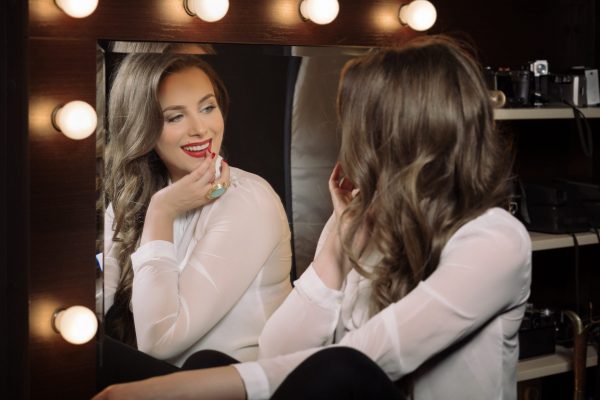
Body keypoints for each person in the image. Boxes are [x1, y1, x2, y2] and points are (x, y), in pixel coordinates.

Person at [94, 34, 532, 400]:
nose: (349, 139)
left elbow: (364, 359)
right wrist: (338, 249)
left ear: (408, 135)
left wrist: (168, 391)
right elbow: (279, 346)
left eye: (359, 124)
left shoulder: (494, 241)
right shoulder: (365, 220)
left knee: (331, 368)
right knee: (204, 363)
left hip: (349, 377)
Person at [102, 53, 293, 373]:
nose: (201, 128)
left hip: (228, 384)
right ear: (143, 127)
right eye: (175, 117)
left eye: (208, 107)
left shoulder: (246, 201)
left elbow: (158, 342)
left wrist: (161, 212)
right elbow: (91, 297)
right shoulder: (132, 197)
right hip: (161, 384)